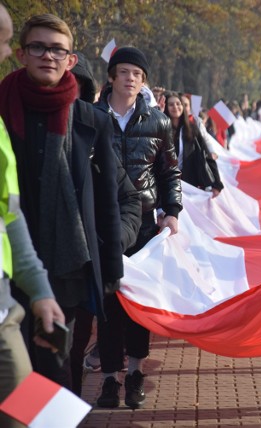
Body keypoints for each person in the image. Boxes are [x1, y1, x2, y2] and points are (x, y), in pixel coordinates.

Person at [0, 13, 123, 391]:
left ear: (71, 60)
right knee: (16, 367)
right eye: (38, 47)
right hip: (10, 262)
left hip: (67, 264)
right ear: (21, 54)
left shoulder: (93, 121)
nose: (48, 56)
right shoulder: (2, 106)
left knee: (55, 366)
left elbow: (108, 200)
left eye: (58, 50)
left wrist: (112, 268)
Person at [95, 46, 182, 409]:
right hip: (102, 223)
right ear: (112, 76)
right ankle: (108, 379)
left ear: (143, 81)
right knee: (109, 304)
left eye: (137, 74)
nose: (130, 79)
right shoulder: (91, 116)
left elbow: (170, 171)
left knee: (138, 304)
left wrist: (172, 210)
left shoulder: (157, 121)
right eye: (124, 71)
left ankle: (134, 373)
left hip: (144, 226)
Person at [0, 7, 65, 427]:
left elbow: (8, 214)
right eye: (3, 41)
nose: (7, 53)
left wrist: (40, 291)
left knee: (40, 413)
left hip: (6, 309)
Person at [68, 51, 142, 397]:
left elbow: (129, 198)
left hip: (88, 264)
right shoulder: (15, 128)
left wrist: (113, 244)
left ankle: (61, 412)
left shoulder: (93, 136)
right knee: (31, 357)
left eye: (73, 89)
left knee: (69, 349)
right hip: (26, 274)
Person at [164, 91, 223, 196]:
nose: (175, 107)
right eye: (171, 104)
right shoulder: (161, 129)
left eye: (178, 103)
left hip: (190, 183)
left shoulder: (192, 128)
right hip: (167, 183)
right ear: (166, 107)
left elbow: (206, 154)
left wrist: (217, 184)